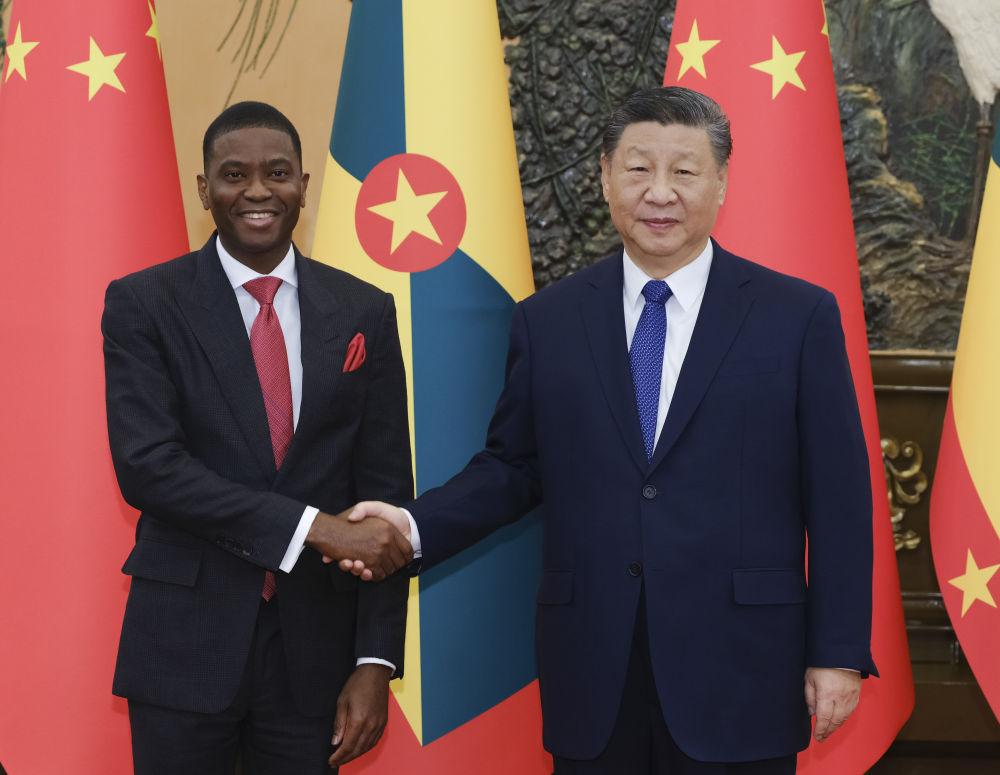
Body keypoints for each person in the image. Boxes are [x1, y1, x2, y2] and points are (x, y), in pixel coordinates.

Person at [337, 87, 878, 774]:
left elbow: (838, 498)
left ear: (721, 182)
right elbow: (513, 467)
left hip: (742, 667)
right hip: (595, 668)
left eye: (684, 171)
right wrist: (412, 526)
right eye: (638, 169)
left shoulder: (796, 316)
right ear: (604, 177)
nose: (660, 192)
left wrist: (837, 652)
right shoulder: (549, 320)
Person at [102, 101, 414, 774]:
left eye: (276, 172)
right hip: (184, 648)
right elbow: (149, 466)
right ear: (204, 188)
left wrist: (375, 660)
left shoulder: (364, 310)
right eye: (234, 174)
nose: (256, 191)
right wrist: (313, 529)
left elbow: (385, 499)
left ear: (303, 184)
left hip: (318, 661)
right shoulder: (143, 303)